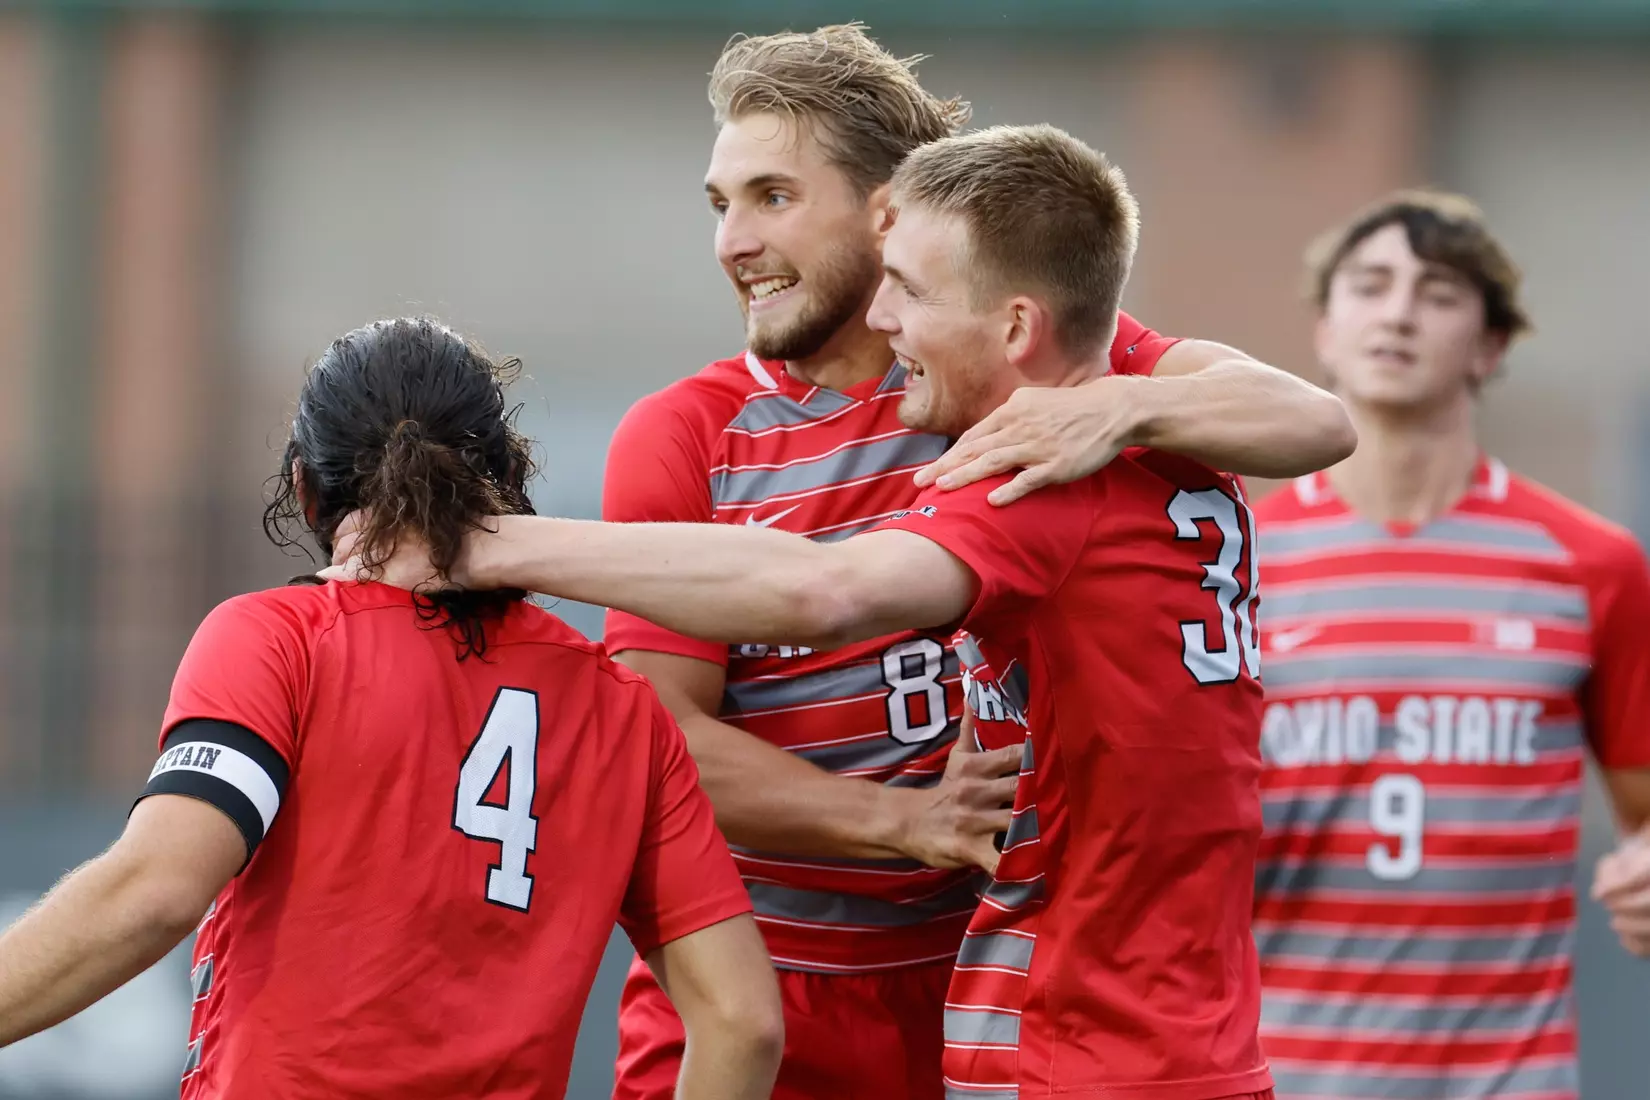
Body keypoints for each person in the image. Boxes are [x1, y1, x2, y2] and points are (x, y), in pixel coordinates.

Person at [340, 124, 1275, 1100]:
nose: (888, 315)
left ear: (1015, 325)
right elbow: (1313, 414)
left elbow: (823, 590)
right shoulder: (1174, 417)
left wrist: (482, 544)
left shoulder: (1045, 473)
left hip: (1077, 1038)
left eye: (910, 288)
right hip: (1182, 1027)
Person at [597, 23, 1351, 1099]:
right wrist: (893, 818)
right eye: (720, 205)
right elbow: (656, 735)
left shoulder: (1010, 371)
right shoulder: (689, 434)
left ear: (889, 208)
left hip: (972, 994)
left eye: (771, 196)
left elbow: (1311, 418)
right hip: (753, 990)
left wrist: (1123, 405)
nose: (731, 241)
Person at [0, 318, 783, 1100]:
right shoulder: (623, 708)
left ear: (305, 486)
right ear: (507, 475)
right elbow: (743, 1022)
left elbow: (157, 888)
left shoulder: (279, 640)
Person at [1251, 192, 1650, 1100]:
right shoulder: (1234, 564)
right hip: (1282, 1075)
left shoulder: (1591, 565)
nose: (1398, 311)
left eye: (1436, 292)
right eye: (1371, 285)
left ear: (1491, 344)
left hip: (1510, 1080)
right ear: (1325, 328)